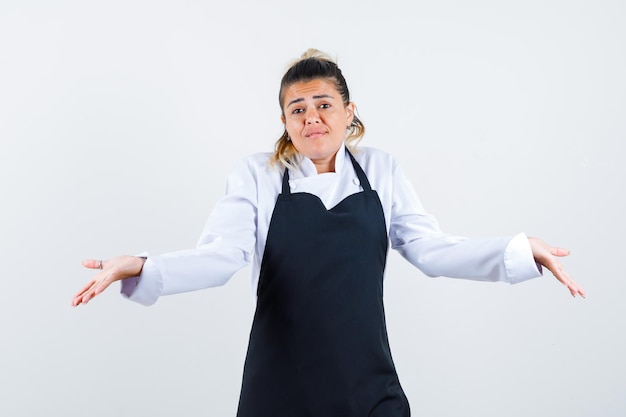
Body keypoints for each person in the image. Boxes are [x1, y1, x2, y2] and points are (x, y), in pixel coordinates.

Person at [72, 49, 585, 416]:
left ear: (348, 111)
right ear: (284, 121)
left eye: (323, 104)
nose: (312, 117)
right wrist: (140, 265)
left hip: (367, 384)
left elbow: (431, 250)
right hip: (279, 386)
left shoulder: (381, 171)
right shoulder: (258, 175)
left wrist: (522, 252)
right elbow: (221, 257)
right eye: (298, 109)